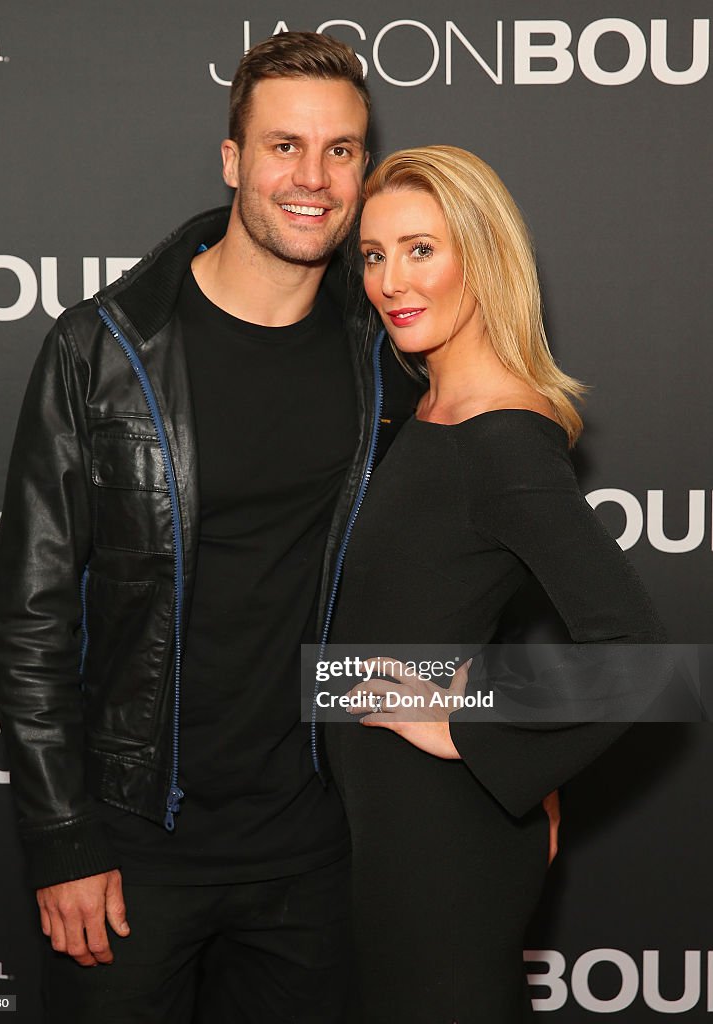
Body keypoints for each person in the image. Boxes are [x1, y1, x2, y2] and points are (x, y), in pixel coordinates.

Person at [0, 32, 419, 1024]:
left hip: (314, 852)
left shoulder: (386, 351)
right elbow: (30, 615)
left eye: (340, 150)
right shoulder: (100, 350)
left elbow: (442, 580)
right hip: (131, 855)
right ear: (232, 160)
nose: (311, 178)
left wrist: (513, 754)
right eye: (283, 147)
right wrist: (63, 837)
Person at [321, 146, 666, 1023]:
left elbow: (635, 656)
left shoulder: (502, 437)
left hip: (442, 842)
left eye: (422, 249)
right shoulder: (427, 412)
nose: (391, 279)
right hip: (383, 828)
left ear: (483, 254)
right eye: (373, 253)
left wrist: (473, 724)